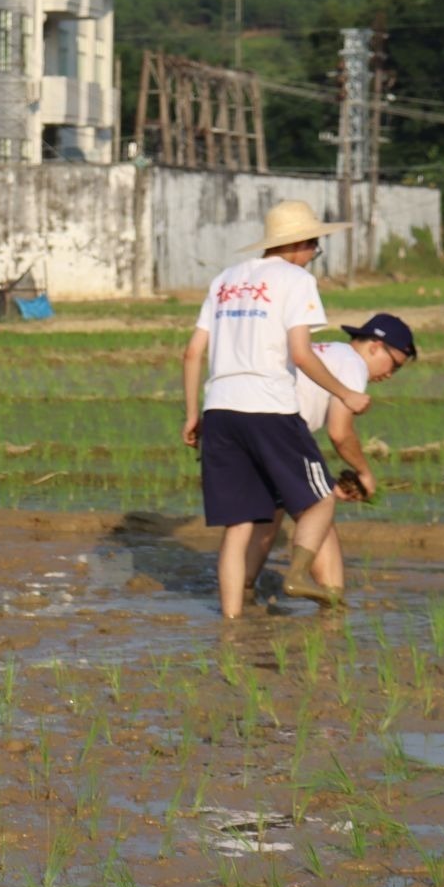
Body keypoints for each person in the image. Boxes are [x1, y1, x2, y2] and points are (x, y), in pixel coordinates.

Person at [180, 200, 372, 618]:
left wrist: (193, 414)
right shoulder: (295, 280)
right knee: (320, 498)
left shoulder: (224, 280)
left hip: (220, 410)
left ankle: (230, 623)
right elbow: (301, 355)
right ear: (300, 243)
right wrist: (346, 393)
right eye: (316, 248)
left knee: (239, 525)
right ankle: (298, 575)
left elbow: (193, 352)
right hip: (269, 407)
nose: (314, 256)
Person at [242, 313, 417, 603]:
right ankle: (332, 603)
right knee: (318, 509)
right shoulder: (353, 363)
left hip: (245, 425)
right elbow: (340, 432)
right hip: (280, 428)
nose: (390, 374)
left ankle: (242, 596)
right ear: (375, 346)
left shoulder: (329, 351)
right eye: (395, 364)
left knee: (267, 517)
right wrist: (364, 472)